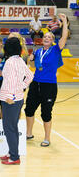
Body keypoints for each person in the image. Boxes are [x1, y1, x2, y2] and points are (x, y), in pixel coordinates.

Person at [25, 13, 68, 147]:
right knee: (29, 109)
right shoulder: (38, 51)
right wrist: (30, 60)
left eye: (49, 37)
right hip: (35, 83)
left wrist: (65, 21)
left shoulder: (56, 49)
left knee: (46, 113)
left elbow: (64, 37)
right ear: (42, 39)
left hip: (49, 86)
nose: (46, 38)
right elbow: (33, 66)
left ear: (53, 40)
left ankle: (47, 138)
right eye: (45, 37)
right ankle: (29, 133)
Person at [0, 37, 33, 165]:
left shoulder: (9, 62)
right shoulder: (19, 60)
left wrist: (11, 96)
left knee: (9, 128)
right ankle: (11, 152)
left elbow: (12, 82)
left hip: (10, 99)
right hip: (17, 98)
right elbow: (30, 76)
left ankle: (14, 157)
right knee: (12, 127)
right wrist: (21, 87)